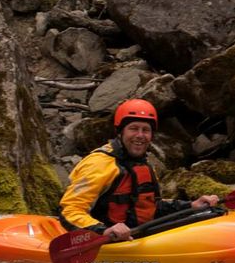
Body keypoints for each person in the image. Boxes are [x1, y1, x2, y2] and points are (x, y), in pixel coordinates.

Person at [59, 98, 219, 241]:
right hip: (108, 242)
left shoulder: (144, 165)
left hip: (138, 238)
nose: (140, 135)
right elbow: (70, 210)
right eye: (134, 128)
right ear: (120, 132)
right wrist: (103, 230)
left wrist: (191, 206)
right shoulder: (99, 163)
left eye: (146, 130)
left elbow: (151, 207)